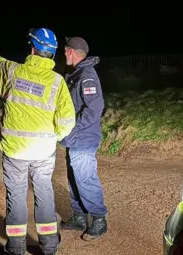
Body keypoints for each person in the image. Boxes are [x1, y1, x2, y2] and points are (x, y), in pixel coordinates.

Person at [0, 28, 76, 255]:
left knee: (16, 195)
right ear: (52, 54)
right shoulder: (57, 82)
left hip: (15, 150)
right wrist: (53, 136)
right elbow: (67, 121)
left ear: (32, 49)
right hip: (44, 150)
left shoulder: (12, 71)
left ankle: (15, 250)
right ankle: (49, 247)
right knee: (44, 192)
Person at [59, 37, 108, 240]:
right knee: (74, 178)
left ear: (72, 51)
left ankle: (99, 220)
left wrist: (72, 127)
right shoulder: (77, 74)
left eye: (65, 50)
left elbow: (95, 108)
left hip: (83, 139)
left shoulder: (86, 75)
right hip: (75, 139)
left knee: (85, 179)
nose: (63, 54)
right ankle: (79, 217)